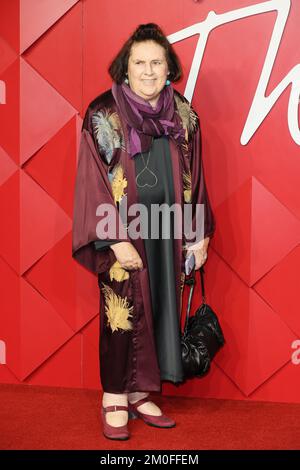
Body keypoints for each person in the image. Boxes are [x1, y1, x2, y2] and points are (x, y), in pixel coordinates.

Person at [72, 23, 216, 440]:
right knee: (123, 309)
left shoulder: (184, 113)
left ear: (169, 68)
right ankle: (114, 395)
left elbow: (197, 175)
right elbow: (91, 180)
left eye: (157, 62)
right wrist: (115, 239)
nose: (149, 71)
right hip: (124, 232)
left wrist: (198, 234)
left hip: (168, 231)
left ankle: (140, 391)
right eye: (140, 63)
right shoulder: (103, 114)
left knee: (160, 305)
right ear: (125, 68)